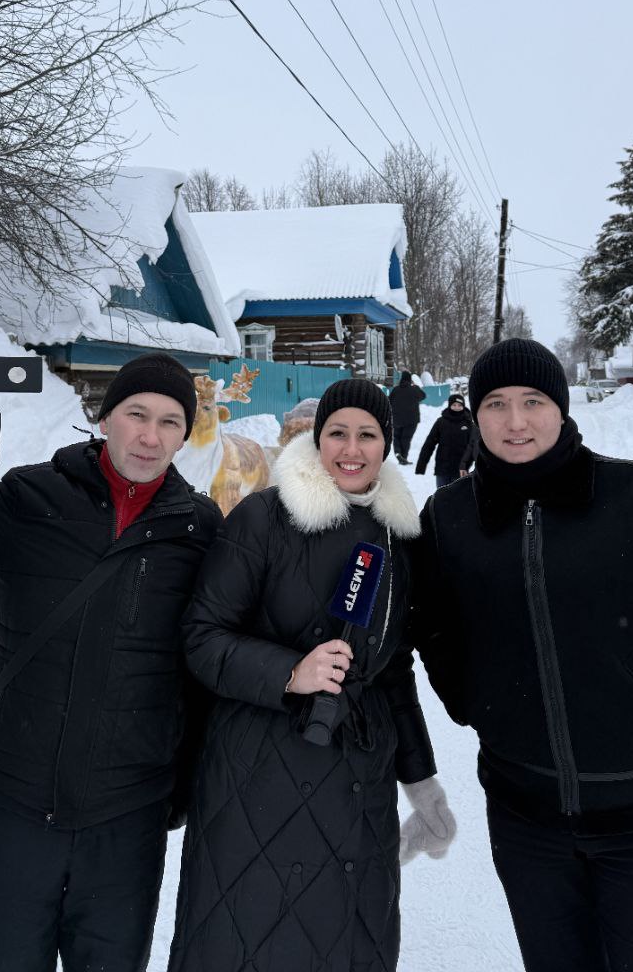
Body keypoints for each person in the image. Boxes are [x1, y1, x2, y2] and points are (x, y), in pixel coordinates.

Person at [0, 352, 222, 972]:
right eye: (136, 414)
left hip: (127, 814)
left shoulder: (198, 527)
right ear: (105, 419)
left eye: (170, 421)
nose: (150, 436)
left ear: (186, 434)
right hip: (14, 800)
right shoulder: (31, 495)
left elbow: (212, 656)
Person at [412, 338, 633, 972]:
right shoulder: (450, 518)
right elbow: (432, 623)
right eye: (497, 403)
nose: (515, 421)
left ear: (561, 409)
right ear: (475, 415)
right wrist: (468, 693)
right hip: (526, 818)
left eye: (533, 401)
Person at [168, 377, 455, 972]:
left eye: (367, 435)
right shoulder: (263, 518)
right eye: (337, 433)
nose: (351, 449)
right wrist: (289, 672)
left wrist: (422, 783)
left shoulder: (396, 536)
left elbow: (392, 669)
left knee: (348, 942)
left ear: (387, 444)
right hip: (256, 773)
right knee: (246, 939)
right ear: (317, 440)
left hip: (357, 777)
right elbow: (202, 636)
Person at [414, 392, 476, 487]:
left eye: (459, 405)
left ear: (463, 406)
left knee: (459, 498)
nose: (457, 407)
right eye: (454, 405)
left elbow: (474, 446)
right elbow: (429, 444)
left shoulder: (469, 424)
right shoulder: (441, 422)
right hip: (442, 468)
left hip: (461, 469)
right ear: (449, 406)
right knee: (441, 497)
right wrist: (421, 466)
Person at [388, 370, 426, 465]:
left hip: (397, 419)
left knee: (397, 437)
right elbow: (423, 396)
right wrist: (415, 386)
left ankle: (397, 452)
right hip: (412, 420)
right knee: (406, 438)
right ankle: (403, 457)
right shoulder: (414, 389)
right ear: (410, 379)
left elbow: (389, 401)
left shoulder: (396, 389)